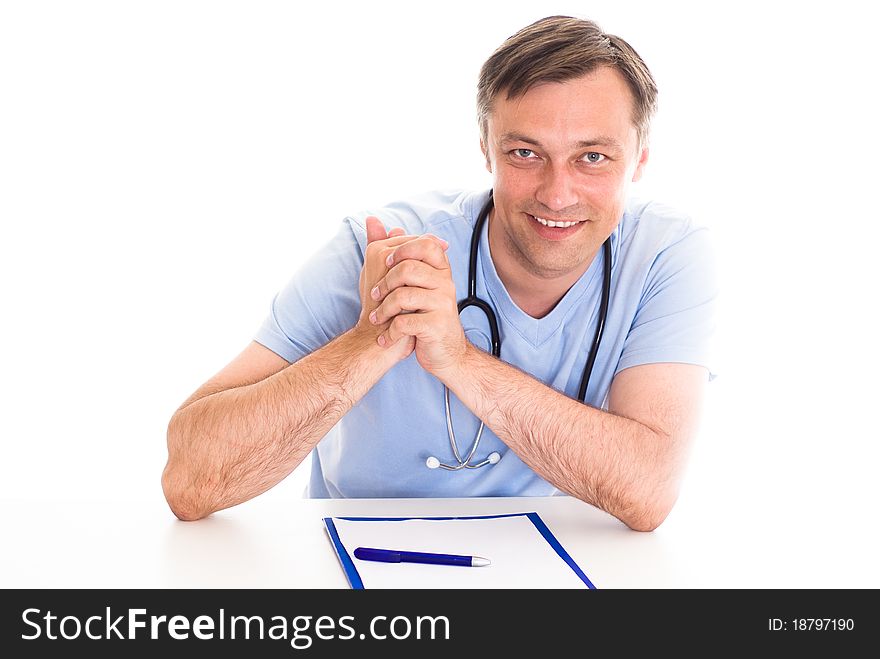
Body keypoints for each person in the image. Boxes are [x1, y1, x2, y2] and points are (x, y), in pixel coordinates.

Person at [161, 15, 717, 531]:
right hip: (361, 561)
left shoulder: (664, 255)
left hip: (553, 562)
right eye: (525, 152)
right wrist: (373, 338)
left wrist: (457, 360)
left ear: (641, 157)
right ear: (486, 150)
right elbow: (190, 482)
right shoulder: (380, 246)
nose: (557, 192)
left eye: (592, 157)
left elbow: (648, 492)